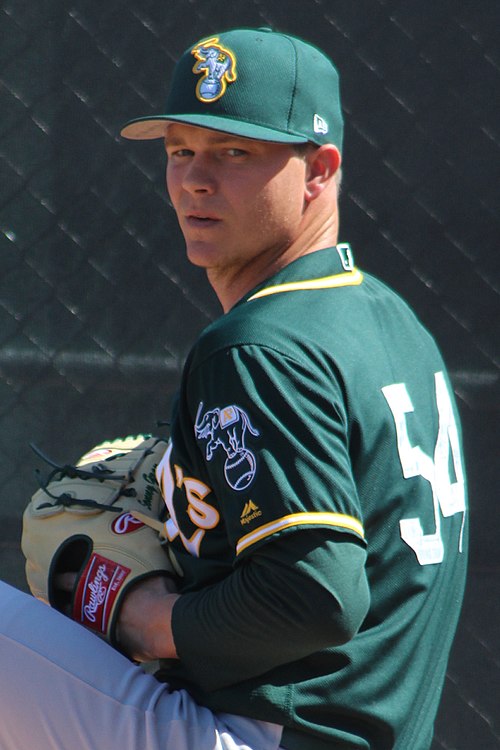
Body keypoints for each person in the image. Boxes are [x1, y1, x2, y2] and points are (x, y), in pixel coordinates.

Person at [0, 27, 468, 750]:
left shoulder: (257, 347)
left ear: (319, 171)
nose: (194, 179)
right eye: (180, 150)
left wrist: (142, 614)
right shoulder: (389, 318)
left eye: (234, 152)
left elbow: (316, 597)